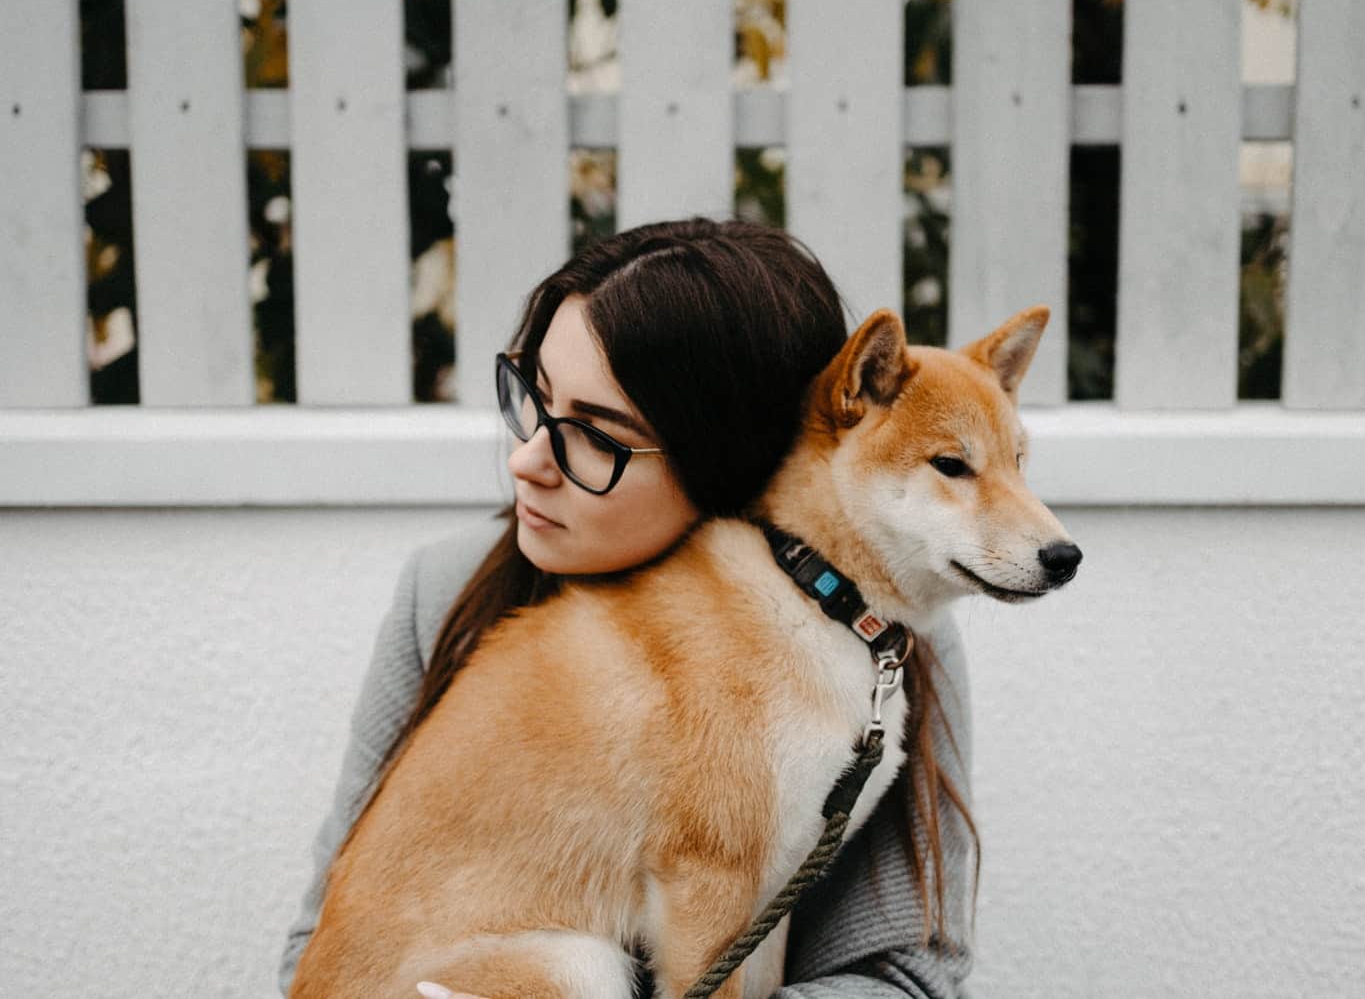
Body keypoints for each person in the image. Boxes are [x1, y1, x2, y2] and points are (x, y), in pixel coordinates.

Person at [277, 217, 980, 998]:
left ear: (726, 463)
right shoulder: (447, 590)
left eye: (596, 435)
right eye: (533, 397)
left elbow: (904, 976)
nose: (527, 459)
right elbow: (320, 949)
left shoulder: (872, 638)